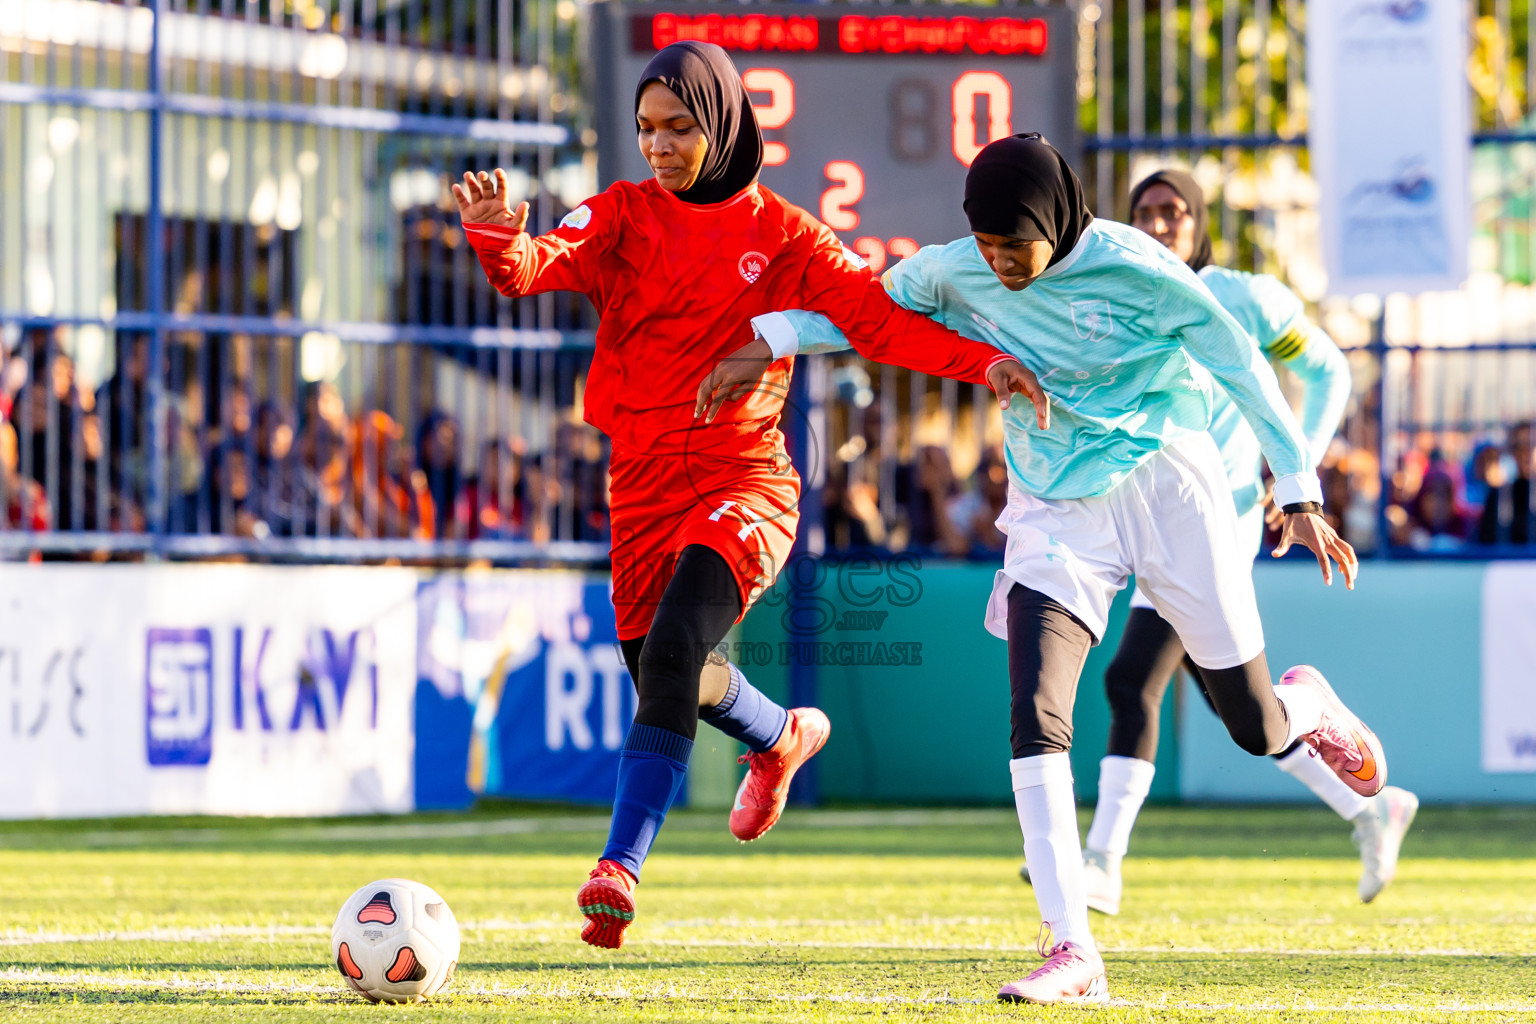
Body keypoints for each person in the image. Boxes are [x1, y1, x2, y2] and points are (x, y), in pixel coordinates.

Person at [703, 134, 1387, 1006]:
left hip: (1172, 488)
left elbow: (1239, 363)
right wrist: (773, 337)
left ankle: (1309, 707)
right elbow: (868, 312)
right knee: (1036, 706)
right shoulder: (958, 269)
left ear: (1055, 224)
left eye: (1012, 247)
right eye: (985, 247)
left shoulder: (1138, 269)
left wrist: (1298, 489)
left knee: (1253, 724)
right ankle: (1073, 947)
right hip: (1057, 510)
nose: (999, 264)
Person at [454, 42, 1040, 951]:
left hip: (743, 480)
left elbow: (880, 322)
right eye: (647, 129)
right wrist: (498, 237)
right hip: (641, 483)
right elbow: (532, 267)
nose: (658, 146)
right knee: (662, 669)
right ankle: (778, 738)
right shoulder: (619, 214)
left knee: (681, 643)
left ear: (723, 122)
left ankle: (619, 866)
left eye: (679, 127)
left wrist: (986, 363)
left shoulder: (790, 237)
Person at [1023, 169, 1417, 917]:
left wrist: (1295, 466)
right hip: (1134, 512)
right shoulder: (1120, 288)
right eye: (1146, 212)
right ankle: (1370, 808)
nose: (1162, 224)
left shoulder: (1246, 297)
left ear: (1201, 222)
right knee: (1242, 711)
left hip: (1215, 520)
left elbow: (1326, 369)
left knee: (1130, 679)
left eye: (1175, 212)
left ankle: (1102, 859)